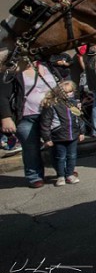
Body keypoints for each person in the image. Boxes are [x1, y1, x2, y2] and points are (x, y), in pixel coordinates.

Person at [0, 59, 58, 188]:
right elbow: (2, 96)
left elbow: (60, 88)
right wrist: (6, 117)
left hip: (51, 114)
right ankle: (34, 176)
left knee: (58, 142)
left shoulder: (47, 66)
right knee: (31, 148)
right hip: (27, 116)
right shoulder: (11, 71)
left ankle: (63, 170)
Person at [40, 81, 85, 187]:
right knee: (60, 157)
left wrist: (82, 132)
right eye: (65, 92)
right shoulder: (52, 105)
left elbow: (79, 119)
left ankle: (69, 174)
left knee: (72, 156)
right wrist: (47, 138)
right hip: (59, 136)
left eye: (70, 92)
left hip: (73, 135)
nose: (68, 94)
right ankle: (60, 175)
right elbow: (46, 122)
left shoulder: (73, 104)